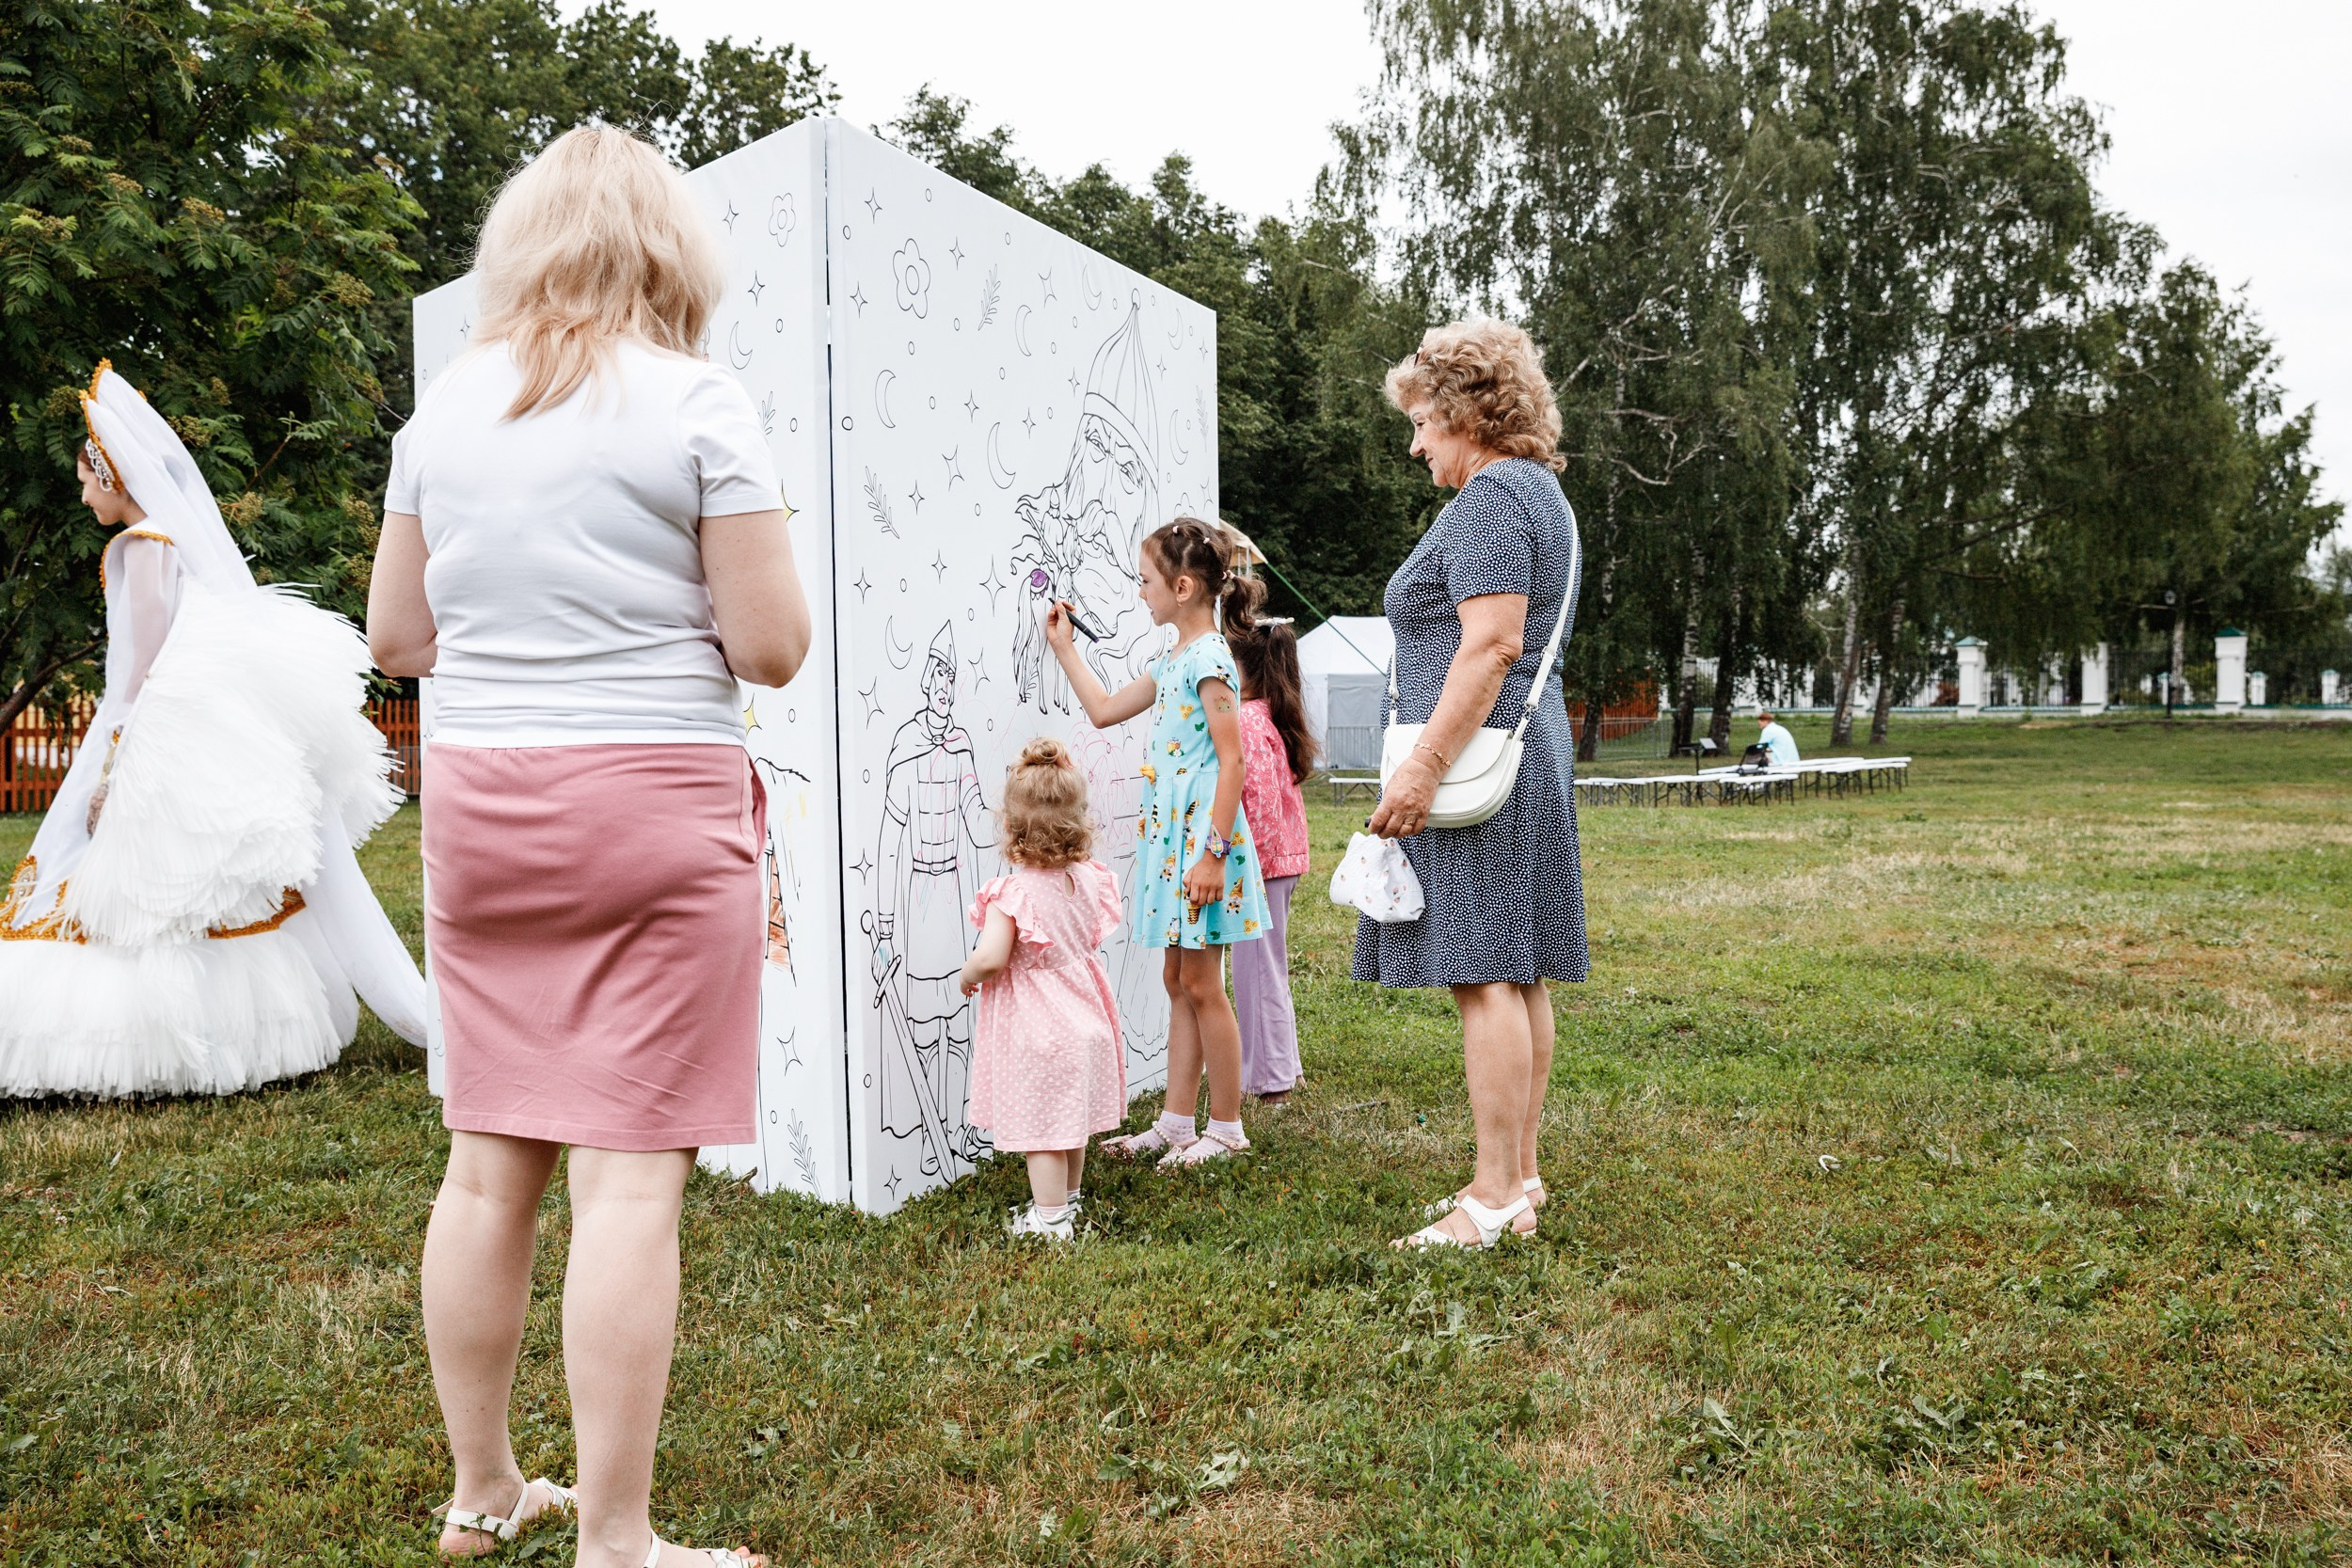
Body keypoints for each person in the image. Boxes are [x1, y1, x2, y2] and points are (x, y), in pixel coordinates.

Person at [367, 126, 809, 1568]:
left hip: (485, 803)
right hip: (654, 796)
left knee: (487, 1167)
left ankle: (483, 1486)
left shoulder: (442, 413)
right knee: (628, 1180)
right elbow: (773, 646)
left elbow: (397, 639)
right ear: (669, 252)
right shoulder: (698, 401)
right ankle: (616, 1537)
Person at [0, 364, 426, 1098]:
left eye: (85, 480)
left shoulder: (138, 544)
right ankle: (238, 1036)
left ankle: (143, 1045)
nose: (81, 494)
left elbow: (140, 671)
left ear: (111, 473)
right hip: (172, 720)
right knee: (191, 890)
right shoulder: (169, 541)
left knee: (138, 890)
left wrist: (114, 767)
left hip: (143, 726)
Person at [1359, 320, 1587, 1251]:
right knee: (1514, 969)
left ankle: (1492, 1197)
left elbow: (1490, 645)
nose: (1415, 443)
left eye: (1421, 420)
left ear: (1465, 410)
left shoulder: (1493, 498)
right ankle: (1519, 1177)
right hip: (1523, 752)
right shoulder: (1538, 493)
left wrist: (1420, 767)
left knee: (1482, 971)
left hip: (1476, 763)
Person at [1044, 517, 1270, 1167]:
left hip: (1203, 844)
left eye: (1145, 582)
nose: (1139, 592)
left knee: (1203, 983)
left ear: (1181, 585)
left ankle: (1225, 1127)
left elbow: (1233, 764)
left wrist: (1211, 855)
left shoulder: (1208, 660)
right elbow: (1106, 709)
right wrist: (1065, 649)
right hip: (1174, 842)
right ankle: (1175, 1122)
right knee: (1178, 976)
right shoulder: (1171, 658)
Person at [957, 738, 1126, 1241]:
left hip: (1040, 1030)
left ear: (1008, 827)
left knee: (1043, 1130)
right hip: (1086, 1017)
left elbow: (991, 957)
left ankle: (1049, 1221)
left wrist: (968, 975)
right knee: (1067, 1121)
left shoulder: (1013, 893)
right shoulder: (1088, 879)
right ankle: (1067, 1203)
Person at [1230, 615, 1314, 1102]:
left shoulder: (1245, 721)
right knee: (1269, 968)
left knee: (1256, 974)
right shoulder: (1272, 717)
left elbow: (1256, 799)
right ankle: (1285, 1066)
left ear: (1244, 670)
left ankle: (1271, 1082)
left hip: (1260, 866)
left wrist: (1243, 865)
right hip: (1280, 861)